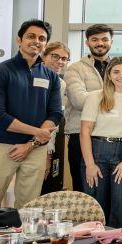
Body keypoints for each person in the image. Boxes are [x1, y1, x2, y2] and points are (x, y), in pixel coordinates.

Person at [0, 20, 62, 208]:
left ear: (45, 44)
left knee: (29, 209)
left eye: (42, 38)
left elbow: (55, 113)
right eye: (31, 36)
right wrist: (37, 132)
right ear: (19, 40)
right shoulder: (0, 72)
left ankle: (26, 239)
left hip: (35, 149)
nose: (36, 41)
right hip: (2, 146)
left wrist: (32, 143)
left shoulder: (51, 76)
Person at [79, 56, 122, 228]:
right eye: (116, 72)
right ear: (109, 75)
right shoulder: (96, 97)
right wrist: (90, 164)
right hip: (97, 152)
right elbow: (85, 131)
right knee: (96, 207)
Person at [64, 24, 114, 196]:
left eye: (104, 39)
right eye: (95, 40)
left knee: (107, 192)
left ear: (111, 42)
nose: (100, 43)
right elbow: (79, 100)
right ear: (87, 43)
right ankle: (84, 224)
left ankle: (106, 225)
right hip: (79, 134)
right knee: (83, 190)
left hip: (109, 136)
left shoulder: (118, 68)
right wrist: (113, 99)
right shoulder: (75, 68)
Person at [40, 42, 71, 194]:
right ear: (44, 56)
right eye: (55, 56)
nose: (60, 61)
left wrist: (47, 152)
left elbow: (53, 118)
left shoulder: (61, 83)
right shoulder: (29, 75)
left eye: (64, 59)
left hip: (43, 141)